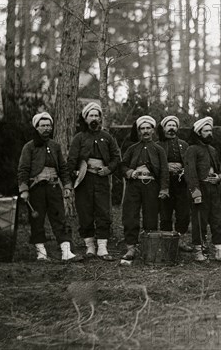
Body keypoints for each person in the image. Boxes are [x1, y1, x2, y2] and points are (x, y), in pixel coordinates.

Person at [18, 112, 82, 262]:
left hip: (53, 188)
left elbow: (63, 168)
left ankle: (66, 252)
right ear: (36, 127)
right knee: (37, 221)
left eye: (49, 125)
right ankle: (41, 253)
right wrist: (24, 189)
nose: (46, 128)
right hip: (36, 189)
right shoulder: (29, 147)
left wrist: (67, 186)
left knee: (60, 219)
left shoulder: (55, 146)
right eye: (43, 126)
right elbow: (23, 170)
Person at [67, 102, 121, 261]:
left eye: (97, 115)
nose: (94, 118)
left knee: (103, 212)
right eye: (91, 115)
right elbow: (71, 159)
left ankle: (102, 248)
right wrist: (73, 176)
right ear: (85, 118)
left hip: (102, 179)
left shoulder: (107, 137)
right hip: (84, 180)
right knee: (85, 212)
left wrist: (108, 169)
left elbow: (116, 157)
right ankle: (90, 246)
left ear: (100, 118)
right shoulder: (79, 138)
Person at [120, 115, 170, 260]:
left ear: (153, 130)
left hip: (152, 186)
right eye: (142, 128)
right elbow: (122, 165)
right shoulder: (132, 148)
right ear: (138, 130)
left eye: (148, 128)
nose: (145, 131)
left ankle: (150, 247)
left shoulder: (159, 149)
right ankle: (131, 247)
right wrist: (129, 172)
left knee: (151, 216)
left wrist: (164, 188)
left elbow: (164, 171)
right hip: (134, 186)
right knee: (130, 216)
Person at [185, 117, 221, 263]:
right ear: (199, 133)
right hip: (201, 189)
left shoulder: (212, 150)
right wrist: (195, 192)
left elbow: (219, 170)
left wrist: (218, 178)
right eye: (205, 131)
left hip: (214, 190)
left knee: (218, 220)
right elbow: (190, 172)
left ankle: (219, 251)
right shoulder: (192, 150)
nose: (209, 133)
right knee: (199, 221)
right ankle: (199, 251)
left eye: (210, 130)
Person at [156, 115, 193, 252]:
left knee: (183, 214)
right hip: (165, 183)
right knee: (165, 213)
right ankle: (167, 242)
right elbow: (153, 165)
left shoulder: (184, 145)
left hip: (181, 183)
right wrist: (166, 167)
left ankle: (180, 240)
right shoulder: (157, 145)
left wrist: (183, 170)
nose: (172, 128)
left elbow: (189, 163)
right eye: (169, 125)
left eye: (174, 126)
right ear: (164, 128)